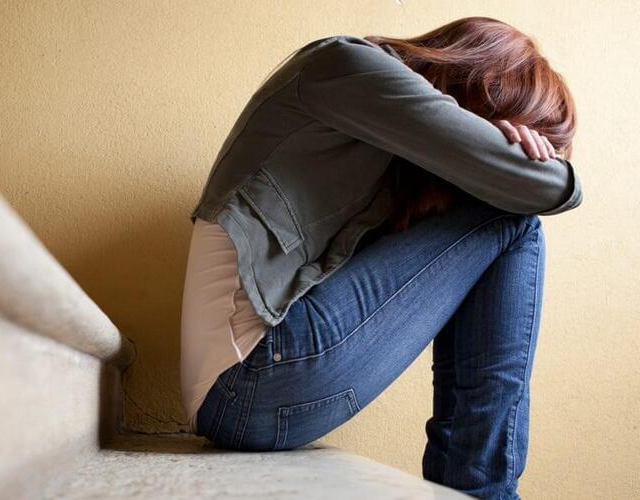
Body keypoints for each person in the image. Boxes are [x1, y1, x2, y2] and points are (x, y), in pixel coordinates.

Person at [179, 16, 582, 500]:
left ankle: (473, 488)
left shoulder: (383, 153)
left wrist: (492, 159)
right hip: (248, 381)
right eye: (518, 132)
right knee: (514, 221)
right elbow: (547, 190)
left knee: (497, 217)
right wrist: (519, 159)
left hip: (252, 392)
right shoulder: (341, 63)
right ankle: (483, 491)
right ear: (484, 85)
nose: (516, 147)